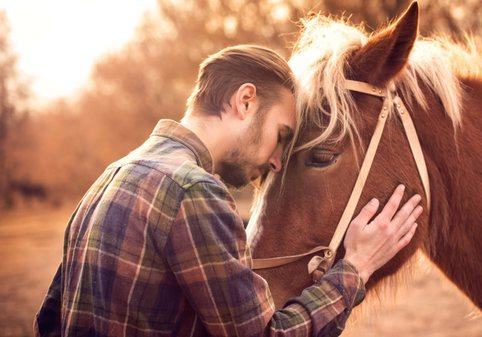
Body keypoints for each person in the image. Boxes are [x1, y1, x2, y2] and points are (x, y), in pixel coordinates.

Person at [34, 45, 423, 337]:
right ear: (245, 101)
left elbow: (49, 321)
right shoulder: (192, 191)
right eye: (281, 135)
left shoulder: (108, 179)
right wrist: (355, 268)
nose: (276, 161)